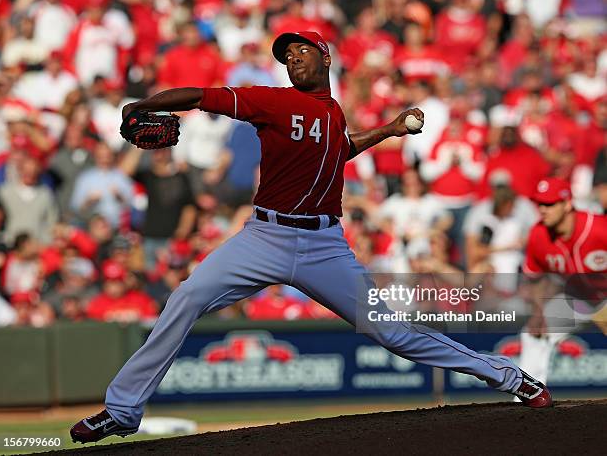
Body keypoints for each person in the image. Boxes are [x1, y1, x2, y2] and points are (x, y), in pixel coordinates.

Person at [70, 31, 552, 445]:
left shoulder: (334, 113)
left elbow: (339, 150)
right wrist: (146, 104)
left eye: (302, 50)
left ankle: (510, 376)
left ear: (326, 58)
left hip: (324, 248)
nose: (293, 58)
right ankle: (123, 410)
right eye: (287, 54)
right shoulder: (273, 101)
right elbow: (200, 95)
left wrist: (385, 130)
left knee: (392, 331)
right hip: (263, 236)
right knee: (186, 296)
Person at [519, 178, 607, 384]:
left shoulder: (599, 228)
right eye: (540, 203)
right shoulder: (538, 235)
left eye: (549, 204)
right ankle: (528, 401)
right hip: (577, 298)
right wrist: (538, 311)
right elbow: (535, 278)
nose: (543, 209)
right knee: (533, 334)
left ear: (567, 204)